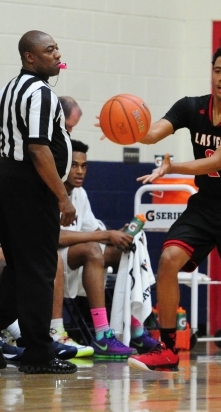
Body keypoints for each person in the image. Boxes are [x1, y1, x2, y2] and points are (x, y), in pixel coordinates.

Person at [124, 44, 221, 382]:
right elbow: (153, 131)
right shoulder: (191, 107)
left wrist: (172, 167)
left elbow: (216, 161)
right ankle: (168, 348)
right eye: (218, 70)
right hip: (207, 204)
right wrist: (128, 128)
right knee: (169, 259)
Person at [0, 30, 77, 374]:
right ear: (30, 57)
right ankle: (37, 351)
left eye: (57, 48)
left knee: (18, 271)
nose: (57, 54)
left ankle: (34, 344)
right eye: (49, 50)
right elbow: (38, 148)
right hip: (30, 189)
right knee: (38, 272)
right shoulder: (41, 94)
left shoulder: (11, 87)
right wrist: (63, 198)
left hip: (9, 185)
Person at [51, 138, 158, 358]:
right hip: (51, 259)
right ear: (61, 164)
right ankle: (101, 335)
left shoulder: (80, 194)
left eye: (84, 166)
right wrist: (104, 235)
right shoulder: (49, 191)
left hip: (77, 262)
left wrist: (118, 234)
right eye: (74, 165)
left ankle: (136, 326)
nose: (80, 171)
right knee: (92, 249)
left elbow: (95, 230)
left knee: (130, 247)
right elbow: (53, 237)